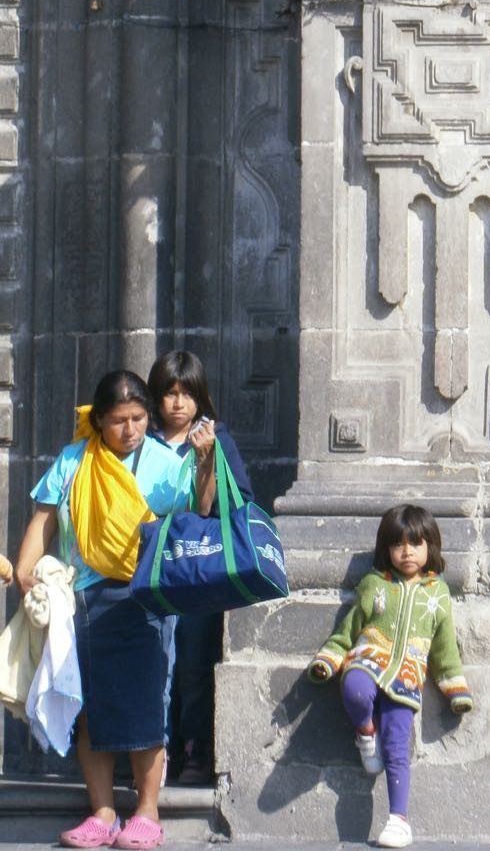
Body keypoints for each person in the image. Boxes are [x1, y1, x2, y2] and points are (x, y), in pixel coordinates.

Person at [14, 370, 216, 850]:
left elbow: (201, 507)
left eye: (139, 419)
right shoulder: (74, 461)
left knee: (147, 704)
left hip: (144, 595)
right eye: (120, 420)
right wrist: (24, 574)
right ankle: (102, 811)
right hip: (82, 597)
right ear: (99, 420)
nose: (131, 430)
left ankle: (146, 811)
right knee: (91, 708)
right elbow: (44, 517)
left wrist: (204, 461)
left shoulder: (167, 461)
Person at [308, 504, 473, 849]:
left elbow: (444, 648)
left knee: (397, 745)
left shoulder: (437, 594)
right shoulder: (373, 585)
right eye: (398, 544)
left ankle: (398, 819)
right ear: (386, 549)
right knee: (354, 690)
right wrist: (330, 658)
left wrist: (454, 686)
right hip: (368, 660)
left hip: (407, 676)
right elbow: (348, 629)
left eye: (415, 544)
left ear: (431, 548)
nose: (407, 552)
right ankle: (366, 731)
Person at [147, 350, 254, 786]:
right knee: (152, 661)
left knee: (192, 661)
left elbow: (223, 504)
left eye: (186, 393)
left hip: (196, 568)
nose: (178, 404)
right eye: (169, 393)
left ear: (199, 397)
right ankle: (152, 749)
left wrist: (207, 459)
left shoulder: (215, 436)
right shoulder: (142, 439)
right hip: (151, 564)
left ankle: (193, 747)